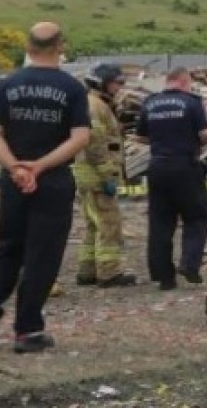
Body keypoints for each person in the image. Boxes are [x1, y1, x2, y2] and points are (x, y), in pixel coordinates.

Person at [0, 23, 91, 353]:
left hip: (13, 179)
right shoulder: (72, 88)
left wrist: (14, 166)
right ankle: (27, 330)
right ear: (60, 46)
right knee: (43, 254)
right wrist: (40, 166)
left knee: (7, 248)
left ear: (28, 45)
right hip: (52, 180)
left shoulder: (7, 85)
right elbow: (80, 137)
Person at [137, 67, 207, 290]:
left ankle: (164, 277)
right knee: (196, 217)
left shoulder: (150, 103)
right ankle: (190, 265)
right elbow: (205, 134)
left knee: (160, 222)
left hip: (158, 166)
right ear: (183, 81)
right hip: (185, 165)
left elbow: (140, 136)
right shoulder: (192, 102)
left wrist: (162, 140)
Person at [75, 63, 135, 288]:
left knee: (94, 224)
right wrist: (108, 175)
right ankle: (109, 273)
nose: (119, 88)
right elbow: (96, 144)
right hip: (97, 176)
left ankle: (87, 270)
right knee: (109, 223)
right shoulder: (95, 106)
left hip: (89, 175)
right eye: (115, 83)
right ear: (101, 82)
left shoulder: (94, 103)